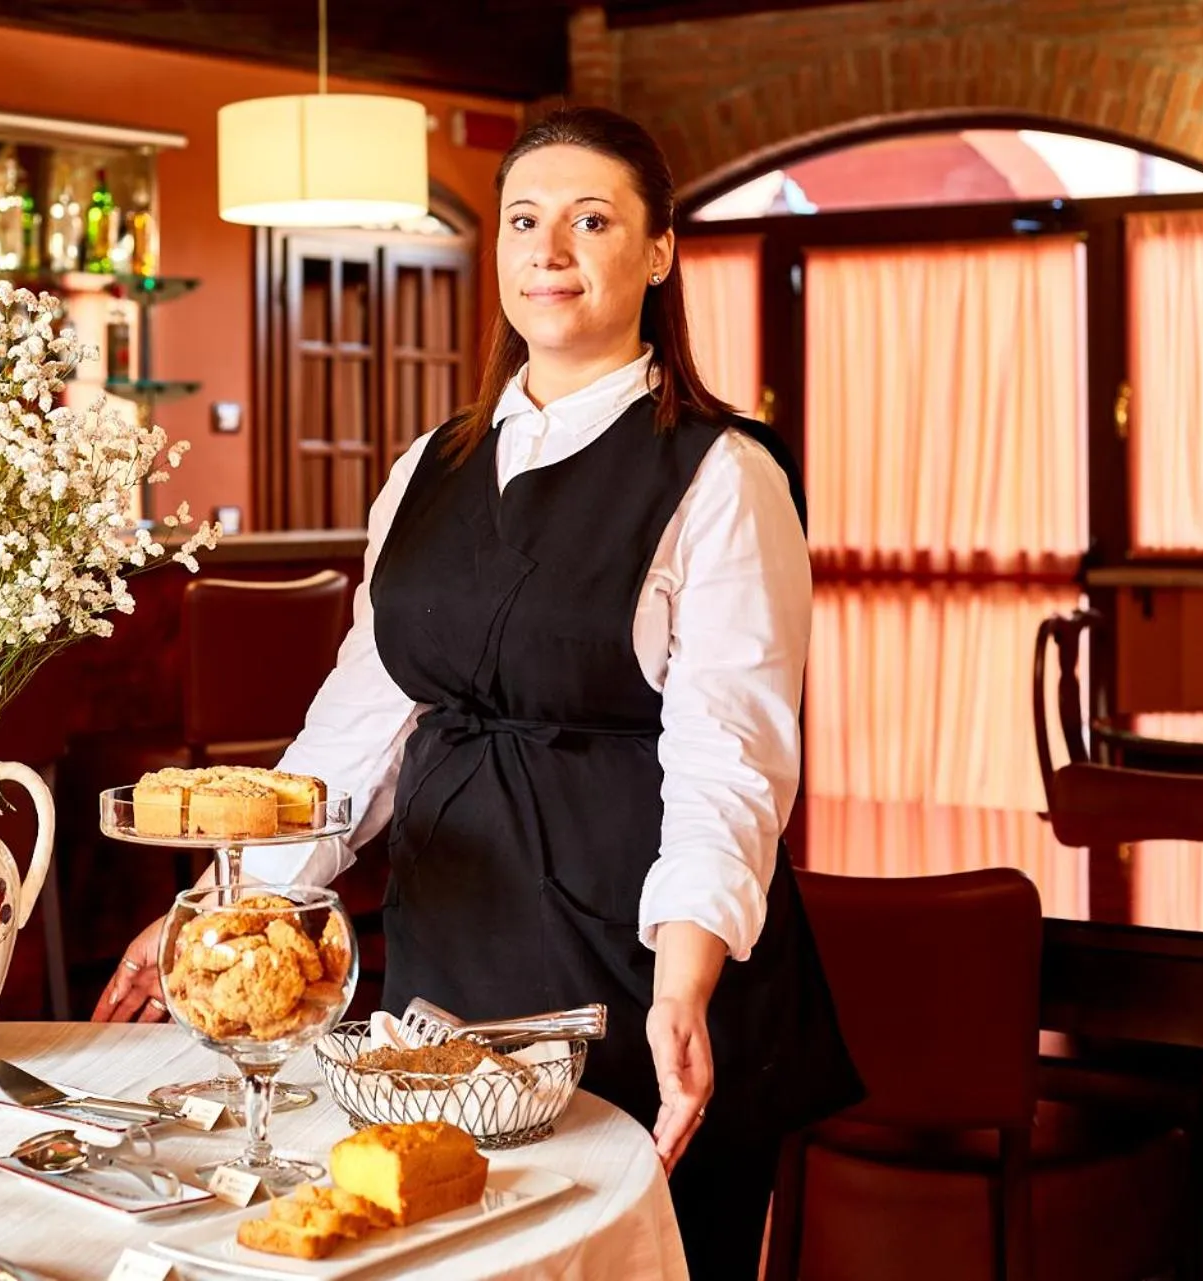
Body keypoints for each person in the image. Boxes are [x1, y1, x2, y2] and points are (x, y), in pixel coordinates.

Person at [98, 105, 861, 1278]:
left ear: (658, 253)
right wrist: (227, 909)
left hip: (641, 959)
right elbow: (363, 725)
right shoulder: (428, 466)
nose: (550, 249)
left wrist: (684, 981)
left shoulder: (722, 472)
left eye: (591, 219)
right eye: (524, 220)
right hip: (451, 962)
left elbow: (731, 753)